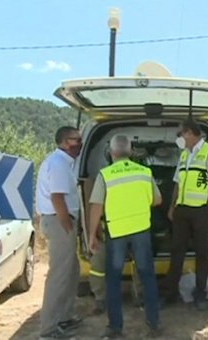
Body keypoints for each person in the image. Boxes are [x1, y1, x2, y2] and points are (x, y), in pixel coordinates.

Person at [87, 135, 162, 338]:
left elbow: (96, 206)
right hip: (141, 231)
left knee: (113, 279)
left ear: (111, 154)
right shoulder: (144, 172)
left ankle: (115, 327)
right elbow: (157, 200)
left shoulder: (105, 175)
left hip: (117, 233)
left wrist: (92, 234)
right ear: (131, 152)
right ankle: (153, 324)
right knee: (147, 277)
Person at [161, 118, 208, 310]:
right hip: (182, 210)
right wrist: (173, 206)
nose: (179, 138)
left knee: (202, 253)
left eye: (181, 134)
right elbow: (177, 182)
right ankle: (171, 293)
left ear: (190, 133)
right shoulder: (184, 155)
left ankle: (200, 294)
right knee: (177, 251)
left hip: (201, 210)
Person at [36, 126, 84, 339]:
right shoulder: (58, 165)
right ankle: (48, 330)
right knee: (59, 275)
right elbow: (57, 198)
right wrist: (67, 225)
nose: (79, 144)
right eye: (77, 140)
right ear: (65, 142)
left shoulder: (63, 163)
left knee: (71, 271)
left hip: (60, 221)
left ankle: (64, 317)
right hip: (59, 222)